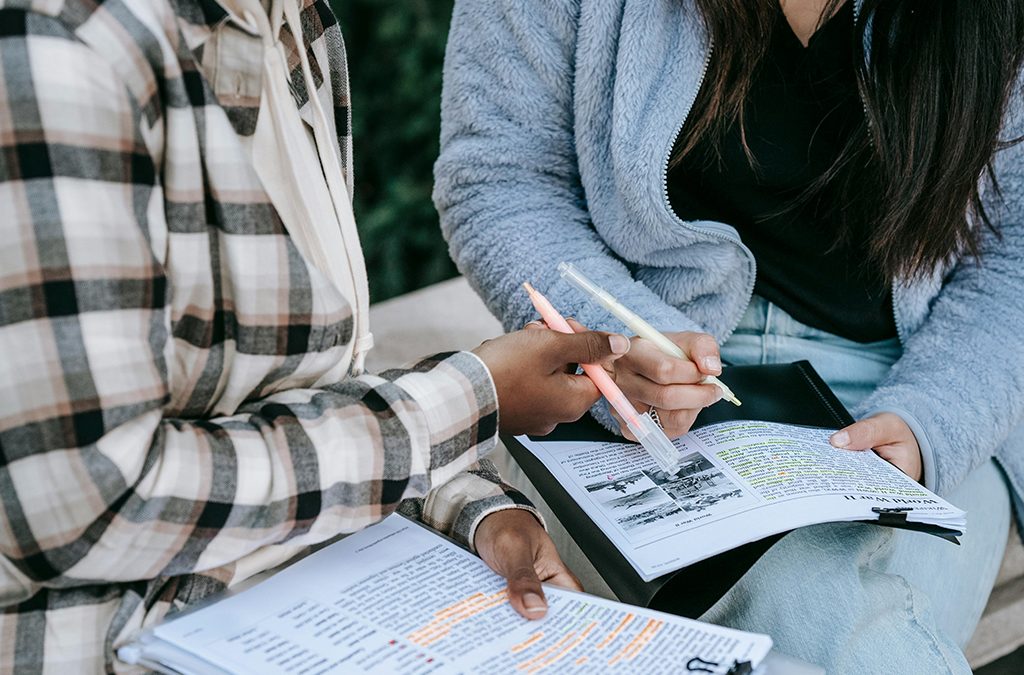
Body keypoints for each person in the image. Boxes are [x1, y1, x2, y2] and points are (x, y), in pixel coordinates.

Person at [0, 0, 635, 671]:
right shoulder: (62, 47)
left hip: (304, 608)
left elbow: (307, 391)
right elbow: (83, 505)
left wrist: (471, 503)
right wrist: (468, 402)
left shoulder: (299, 23)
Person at [434, 0, 1024, 672]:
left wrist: (934, 422)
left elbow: (1015, 252)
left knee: (805, 595)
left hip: (919, 386)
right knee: (817, 608)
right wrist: (624, 340)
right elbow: (501, 181)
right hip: (632, 387)